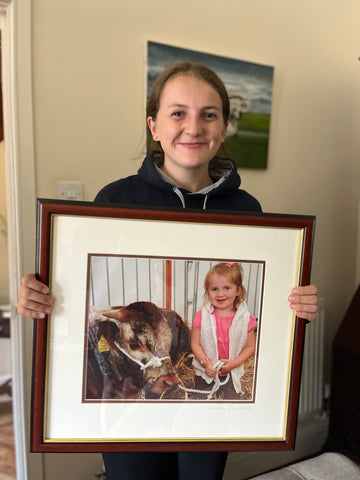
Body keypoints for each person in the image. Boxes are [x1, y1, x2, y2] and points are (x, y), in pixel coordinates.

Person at [17, 62, 318, 480]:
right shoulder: (114, 200)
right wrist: (39, 295)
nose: (193, 127)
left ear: (223, 127)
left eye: (208, 114)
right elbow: (73, 291)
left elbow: (254, 305)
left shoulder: (248, 212)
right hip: (128, 416)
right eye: (178, 113)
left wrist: (292, 306)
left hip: (204, 398)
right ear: (154, 125)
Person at [191, 262, 256, 400]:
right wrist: (206, 363)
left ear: (238, 290)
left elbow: (250, 347)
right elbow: (195, 344)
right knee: (199, 399)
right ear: (208, 291)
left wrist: (235, 363)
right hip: (206, 372)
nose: (220, 294)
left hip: (230, 373)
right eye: (214, 289)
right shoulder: (202, 316)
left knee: (233, 403)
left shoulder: (245, 319)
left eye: (227, 288)